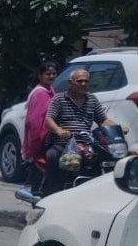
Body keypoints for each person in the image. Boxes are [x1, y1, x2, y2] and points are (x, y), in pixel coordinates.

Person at [40, 67, 120, 197]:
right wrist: (59, 130)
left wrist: (118, 128)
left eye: (86, 81)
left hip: (85, 143)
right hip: (62, 143)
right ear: (70, 83)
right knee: (53, 156)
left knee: (104, 156)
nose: (83, 84)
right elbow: (49, 120)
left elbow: (102, 120)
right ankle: (49, 193)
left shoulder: (91, 99)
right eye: (79, 81)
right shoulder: (59, 99)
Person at [22, 60, 57, 186]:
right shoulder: (40, 94)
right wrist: (36, 144)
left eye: (54, 73)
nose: (51, 76)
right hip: (41, 139)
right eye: (48, 74)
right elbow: (35, 122)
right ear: (40, 75)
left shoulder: (50, 90)